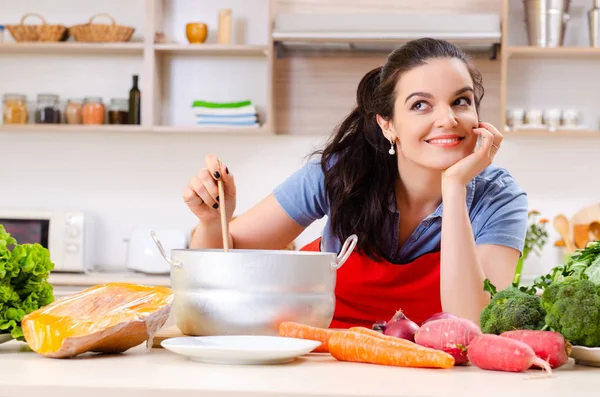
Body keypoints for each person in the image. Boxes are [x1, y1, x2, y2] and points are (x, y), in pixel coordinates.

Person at [182, 38, 528, 328]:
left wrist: (454, 188)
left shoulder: (497, 197)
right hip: (324, 359)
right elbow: (224, 261)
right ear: (387, 125)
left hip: (435, 369)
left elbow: (474, 323)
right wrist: (213, 219)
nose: (448, 119)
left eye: (461, 101)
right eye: (421, 105)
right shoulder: (340, 173)